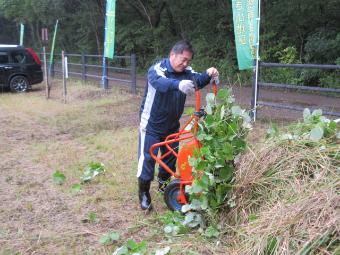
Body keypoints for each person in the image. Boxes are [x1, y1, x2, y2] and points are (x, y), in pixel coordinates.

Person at [137, 40, 219, 211]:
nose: (185, 63)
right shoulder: (157, 69)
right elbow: (159, 83)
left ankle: (164, 186)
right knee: (148, 159)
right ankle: (144, 193)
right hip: (151, 124)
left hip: (172, 125)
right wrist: (178, 84)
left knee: (170, 157)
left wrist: (209, 73)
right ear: (172, 55)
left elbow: (197, 80)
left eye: (188, 61)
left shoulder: (187, 72)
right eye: (183, 59)